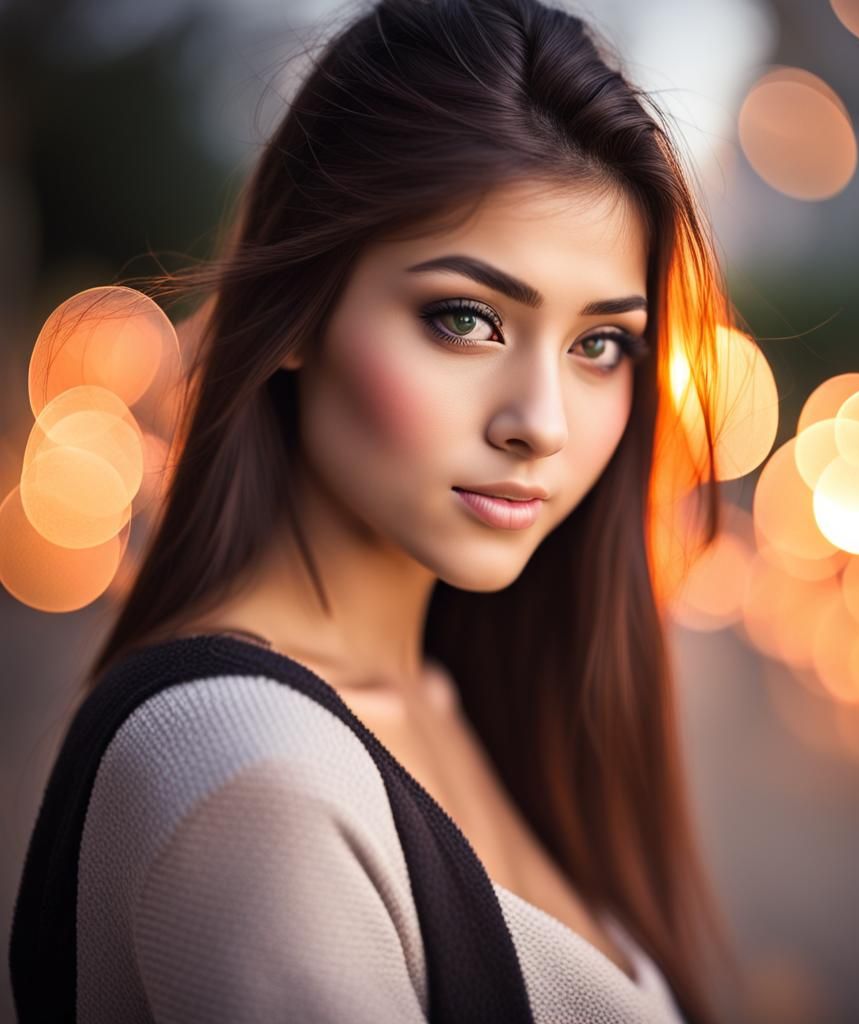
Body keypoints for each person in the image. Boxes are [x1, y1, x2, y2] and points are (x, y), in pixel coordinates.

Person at [9, 0, 737, 1020]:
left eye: (599, 344)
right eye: (465, 318)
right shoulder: (255, 782)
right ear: (300, 309)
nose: (542, 423)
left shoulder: (454, 696)